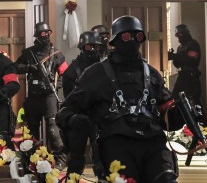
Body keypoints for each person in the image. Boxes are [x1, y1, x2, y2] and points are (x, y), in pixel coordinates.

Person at [57, 15, 178, 183]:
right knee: (125, 178)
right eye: (127, 36)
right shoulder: (95, 74)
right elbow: (66, 111)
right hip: (116, 141)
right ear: (115, 40)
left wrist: (178, 113)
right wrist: (76, 121)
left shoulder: (152, 74)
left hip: (152, 141)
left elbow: (167, 113)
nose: (133, 41)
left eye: (138, 36)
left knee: (166, 179)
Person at [14, 22, 67, 167]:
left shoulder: (57, 54)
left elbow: (66, 74)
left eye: (48, 33)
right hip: (34, 96)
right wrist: (29, 68)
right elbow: (15, 67)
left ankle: (60, 159)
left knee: (52, 128)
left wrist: (56, 86)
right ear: (37, 35)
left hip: (49, 95)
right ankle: (31, 159)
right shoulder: (28, 53)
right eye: (43, 33)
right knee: (31, 129)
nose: (46, 36)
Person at [61, 31, 105, 179]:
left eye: (96, 46)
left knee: (102, 156)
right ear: (82, 47)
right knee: (76, 158)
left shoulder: (106, 67)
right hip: (80, 117)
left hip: (100, 117)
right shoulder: (72, 70)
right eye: (88, 46)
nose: (92, 50)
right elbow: (70, 99)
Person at [167, 24, 203, 129]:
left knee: (194, 103)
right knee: (175, 99)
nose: (178, 37)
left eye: (180, 34)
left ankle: (201, 127)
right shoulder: (180, 47)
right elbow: (179, 63)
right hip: (182, 77)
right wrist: (174, 58)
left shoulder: (192, 45)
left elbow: (191, 60)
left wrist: (176, 56)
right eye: (177, 35)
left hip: (191, 79)